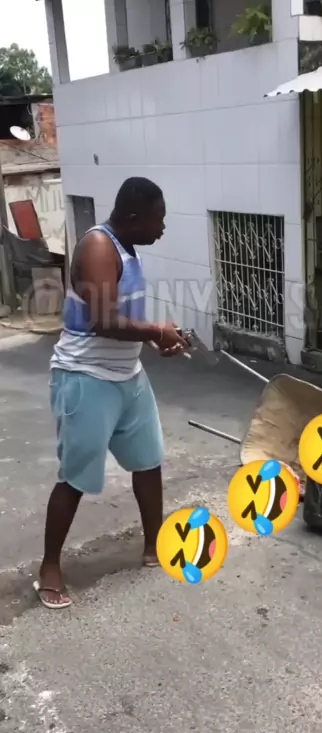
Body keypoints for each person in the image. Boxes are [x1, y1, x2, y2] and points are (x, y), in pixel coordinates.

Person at [37, 177, 188, 609]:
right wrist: (156, 330)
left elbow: (124, 321)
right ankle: (49, 568)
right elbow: (103, 320)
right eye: (158, 219)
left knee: (148, 460)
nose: (163, 227)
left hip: (127, 376)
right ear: (135, 217)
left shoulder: (129, 248)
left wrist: (157, 342)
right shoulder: (99, 247)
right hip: (86, 377)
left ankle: (155, 546)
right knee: (76, 476)